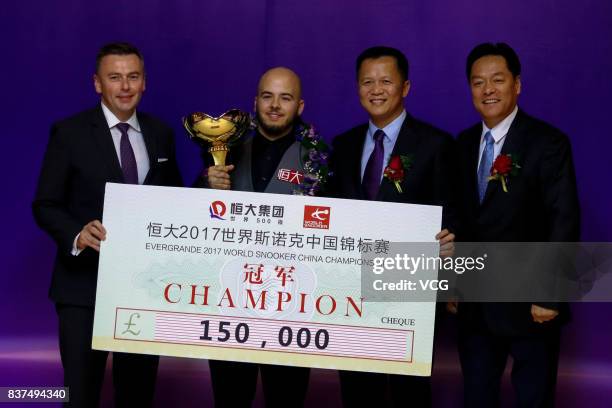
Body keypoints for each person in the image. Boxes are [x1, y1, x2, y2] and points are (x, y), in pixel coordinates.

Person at [32, 42, 183, 407]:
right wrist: (77, 233)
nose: (125, 86)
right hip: (82, 289)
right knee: (81, 394)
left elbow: (174, 201)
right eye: (115, 78)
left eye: (133, 77)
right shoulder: (69, 133)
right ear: (97, 84)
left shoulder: (161, 133)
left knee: (137, 394)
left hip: (143, 291)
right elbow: (45, 204)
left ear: (144, 82)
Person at [452, 42, 580, 407]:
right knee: (477, 396)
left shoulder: (548, 142)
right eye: (478, 82)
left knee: (533, 399)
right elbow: (458, 222)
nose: (487, 90)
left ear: (517, 84)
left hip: (530, 306)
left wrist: (549, 294)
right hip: (475, 306)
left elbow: (564, 219)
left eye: (497, 80)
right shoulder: (461, 144)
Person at [328, 46, 457, 408]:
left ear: (406, 87)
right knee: (356, 388)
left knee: (409, 391)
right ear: (357, 89)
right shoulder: (342, 145)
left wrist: (450, 239)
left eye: (386, 80)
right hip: (351, 291)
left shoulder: (436, 144)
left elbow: (452, 212)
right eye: (367, 82)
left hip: (410, 288)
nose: (376, 89)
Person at [196, 66, 325, 407]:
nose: (275, 105)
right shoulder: (223, 147)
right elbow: (194, 220)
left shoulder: (321, 160)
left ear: (299, 106)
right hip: (229, 306)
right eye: (267, 96)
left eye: (286, 98)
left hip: (292, 313)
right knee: (229, 399)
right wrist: (205, 185)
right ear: (255, 102)